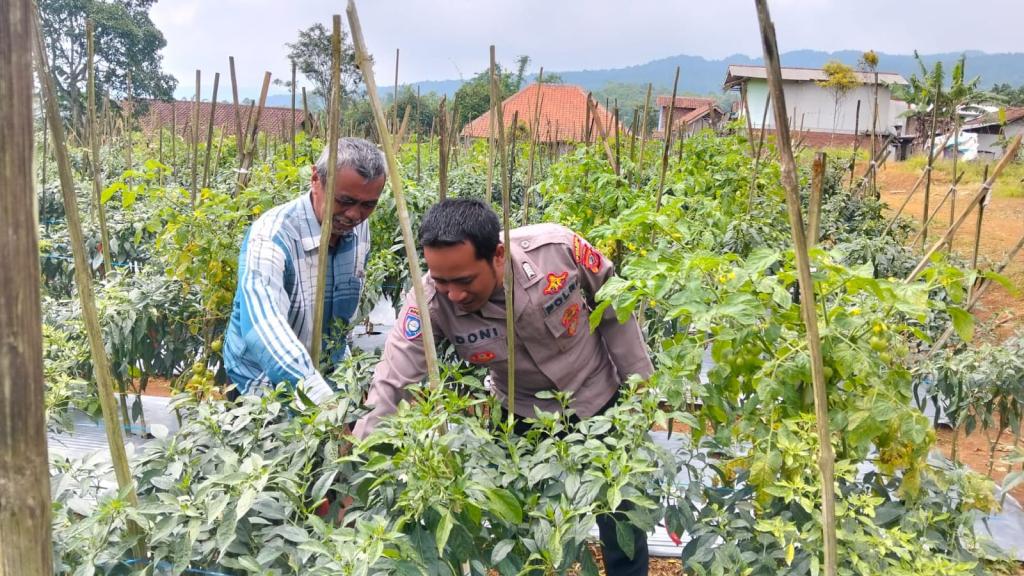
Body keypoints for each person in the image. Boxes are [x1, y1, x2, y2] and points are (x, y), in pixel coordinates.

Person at [353, 198, 654, 575]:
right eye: (440, 280)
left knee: (622, 522)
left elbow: (615, 306)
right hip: (522, 420)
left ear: (496, 254)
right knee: (527, 533)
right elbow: (396, 378)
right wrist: (358, 466)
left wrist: (638, 392)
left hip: (601, 400)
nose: (453, 294)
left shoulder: (555, 251)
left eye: (464, 280)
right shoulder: (428, 300)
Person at [223, 137, 386, 404]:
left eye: (368, 205)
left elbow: (338, 330)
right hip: (262, 389)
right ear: (315, 179)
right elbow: (263, 328)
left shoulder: (359, 230)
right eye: (344, 200)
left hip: (328, 379)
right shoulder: (271, 237)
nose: (355, 215)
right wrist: (321, 401)